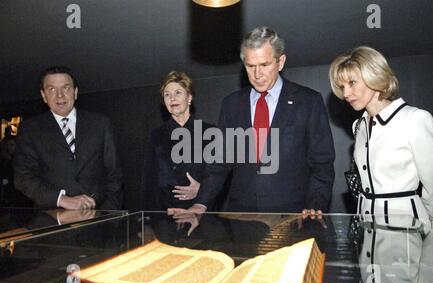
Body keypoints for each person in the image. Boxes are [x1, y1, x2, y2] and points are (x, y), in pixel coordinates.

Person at [168, 26, 335, 234]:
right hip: (242, 219)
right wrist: (201, 204)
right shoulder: (231, 105)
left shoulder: (308, 101)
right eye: (250, 66)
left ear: (280, 62)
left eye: (264, 64)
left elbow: (322, 164)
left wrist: (314, 206)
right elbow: (218, 163)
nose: (257, 74)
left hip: (294, 218)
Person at [329, 46, 433, 283]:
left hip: (408, 236)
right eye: (342, 86)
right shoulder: (359, 126)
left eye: (352, 82)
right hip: (368, 236)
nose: (346, 93)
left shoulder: (414, 119)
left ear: (376, 77)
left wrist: (425, 236)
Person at [13, 66, 123, 210]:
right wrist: (61, 199)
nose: (60, 96)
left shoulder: (100, 124)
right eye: (52, 89)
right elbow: (23, 178)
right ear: (44, 96)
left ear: (75, 92)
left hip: (98, 219)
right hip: (52, 220)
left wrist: (108, 215)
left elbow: (114, 175)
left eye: (66, 88)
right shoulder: (30, 130)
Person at [141, 71, 224, 243]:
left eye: (178, 92)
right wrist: (148, 222)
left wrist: (201, 191)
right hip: (166, 220)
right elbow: (149, 181)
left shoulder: (211, 132)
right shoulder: (156, 135)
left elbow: (219, 175)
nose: (172, 98)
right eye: (167, 94)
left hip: (201, 218)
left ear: (190, 97)